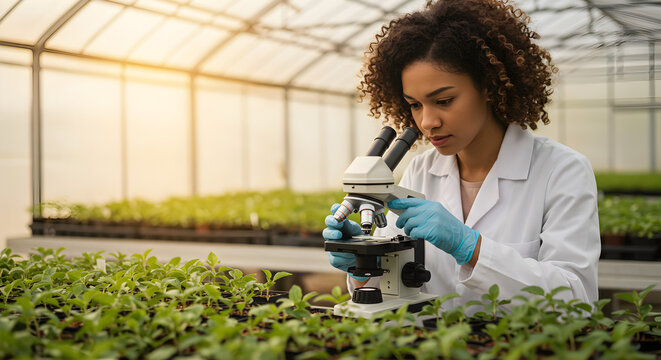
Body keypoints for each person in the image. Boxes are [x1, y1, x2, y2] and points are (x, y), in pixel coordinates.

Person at [323, 0, 600, 311]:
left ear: (489, 87)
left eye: (444, 100)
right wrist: (361, 264)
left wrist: (471, 247)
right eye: (415, 105)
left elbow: (577, 300)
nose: (427, 122)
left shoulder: (561, 171)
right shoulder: (421, 171)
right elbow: (390, 288)